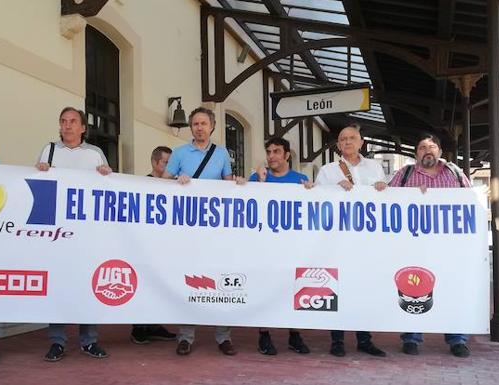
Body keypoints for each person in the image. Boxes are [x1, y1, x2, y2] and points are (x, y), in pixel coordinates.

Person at [36, 106, 112, 362]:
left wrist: (106, 175)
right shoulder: (49, 150)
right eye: (63, 121)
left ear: (82, 128)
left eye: (72, 121)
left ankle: (89, 340)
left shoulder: (94, 154)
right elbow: (38, 185)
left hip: (87, 234)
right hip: (57, 233)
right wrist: (39, 170)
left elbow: (108, 188)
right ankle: (57, 341)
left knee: (87, 284)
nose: (67, 126)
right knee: (57, 285)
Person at [388, 133, 472, 358]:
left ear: (440, 152)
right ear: (416, 153)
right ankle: (411, 338)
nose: (427, 150)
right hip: (414, 245)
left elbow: (471, 201)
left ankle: (457, 339)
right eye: (422, 146)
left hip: (450, 246)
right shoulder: (404, 174)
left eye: (432, 146)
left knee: (452, 289)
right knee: (413, 287)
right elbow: (386, 201)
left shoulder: (455, 172)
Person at [162, 106, 236, 356]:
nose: (199, 128)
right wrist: (174, 181)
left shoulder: (222, 154)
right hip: (187, 227)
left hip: (215, 229)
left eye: (204, 123)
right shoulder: (180, 153)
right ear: (191, 127)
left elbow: (228, 185)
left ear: (212, 126)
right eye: (195, 124)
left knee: (220, 278)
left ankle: (223, 336)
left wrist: (241, 183)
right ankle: (185, 336)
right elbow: (162, 182)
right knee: (189, 278)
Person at [315, 123, 387, 358]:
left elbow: (384, 200)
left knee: (363, 287)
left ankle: (364, 339)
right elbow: (317, 199)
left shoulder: (375, 167)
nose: (347, 142)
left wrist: (381, 188)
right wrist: (334, 189)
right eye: (343, 138)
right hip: (337, 240)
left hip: (366, 241)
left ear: (361, 142)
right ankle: (337, 340)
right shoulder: (328, 170)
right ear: (338, 144)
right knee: (337, 288)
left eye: (352, 138)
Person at [245, 137, 313, 355]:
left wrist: (313, 191)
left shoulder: (300, 179)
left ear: (286, 155)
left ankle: (294, 335)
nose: (271, 156)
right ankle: (264, 336)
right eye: (268, 151)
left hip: (292, 247)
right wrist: (259, 182)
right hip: (263, 246)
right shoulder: (257, 177)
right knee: (264, 289)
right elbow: (249, 205)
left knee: (294, 288)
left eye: (276, 151)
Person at [130, 146, 176, 344]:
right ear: (155, 163)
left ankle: (155, 325)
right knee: (144, 286)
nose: (170, 167)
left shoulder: (176, 185)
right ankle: (139, 328)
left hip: (166, 248)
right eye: (166, 163)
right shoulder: (142, 184)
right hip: (144, 248)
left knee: (160, 288)